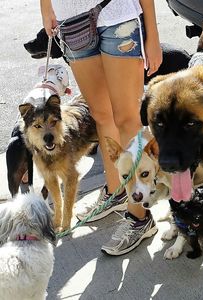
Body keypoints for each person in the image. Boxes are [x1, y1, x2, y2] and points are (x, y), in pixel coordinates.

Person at [40, 0, 162, 255]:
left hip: (117, 14)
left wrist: (152, 32)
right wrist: (45, 6)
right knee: (101, 114)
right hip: (71, 19)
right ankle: (117, 191)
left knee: (127, 119)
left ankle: (139, 217)